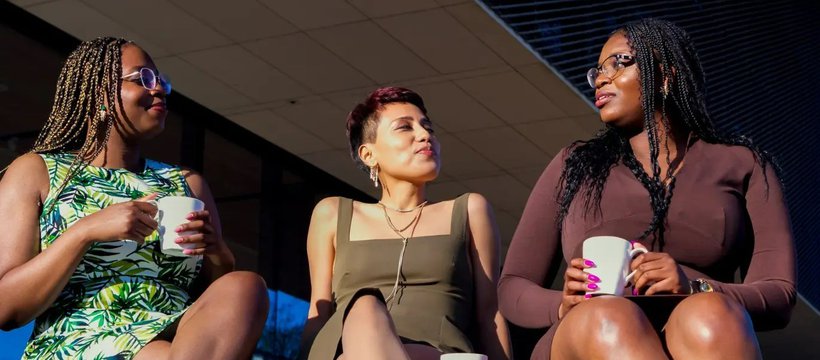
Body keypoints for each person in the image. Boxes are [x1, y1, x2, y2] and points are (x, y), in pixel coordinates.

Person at [498, 18, 795, 360]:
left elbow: (779, 293)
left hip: (703, 332)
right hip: (589, 331)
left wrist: (695, 287)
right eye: (597, 71)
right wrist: (562, 304)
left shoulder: (744, 165)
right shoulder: (574, 165)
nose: (601, 78)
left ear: (666, 76)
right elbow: (513, 286)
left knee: (709, 313)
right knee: (608, 316)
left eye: (619, 62)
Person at [0, 37, 269, 359]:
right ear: (100, 93)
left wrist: (218, 254)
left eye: (160, 81)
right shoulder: (38, 171)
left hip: (178, 337)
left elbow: (216, 312)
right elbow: (6, 308)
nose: (158, 90)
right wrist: (84, 232)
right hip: (81, 340)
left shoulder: (187, 183)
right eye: (143, 78)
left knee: (245, 285)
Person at [300, 87, 512, 360]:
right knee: (365, 307)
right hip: (349, 350)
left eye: (428, 127)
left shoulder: (469, 210)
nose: (425, 135)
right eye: (404, 128)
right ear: (368, 154)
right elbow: (319, 312)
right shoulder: (333, 213)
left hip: (436, 354)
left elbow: (489, 314)